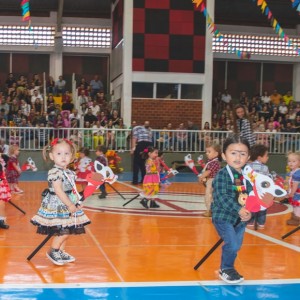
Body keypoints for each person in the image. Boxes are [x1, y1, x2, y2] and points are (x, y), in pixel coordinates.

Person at [31, 138, 91, 265]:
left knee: (67, 230)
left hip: (67, 202)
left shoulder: (69, 172)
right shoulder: (55, 172)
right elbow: (58, 190)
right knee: (63, 231)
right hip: (57, 205)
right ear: (52, 156)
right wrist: (69, 204)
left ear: (72, 155)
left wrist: (77, 202)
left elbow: (72, 190)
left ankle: (60, 252)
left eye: (66, 153)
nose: (63, 157)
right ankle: (53, 250)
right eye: (59, 154)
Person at [212, 134, 252, 284]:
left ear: (248, 157)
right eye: (233, 153)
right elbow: (221, 197)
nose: (238, 157)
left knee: (236, 245)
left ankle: (228, 267)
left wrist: (250, 212)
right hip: (223, 217)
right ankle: (226, 269)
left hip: (240, 220)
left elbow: (251, 197)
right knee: (233, 244)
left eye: (242, 154)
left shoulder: (247, 176)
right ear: (224, 155)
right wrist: (238, 209)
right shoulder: (222, 175)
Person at [247, 144, 270, 229]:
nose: (268, 157)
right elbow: (267, 180)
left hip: (251, 191)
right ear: (259, 157)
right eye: (266, 155)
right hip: (262, 192)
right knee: (262, 208)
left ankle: (250, 222)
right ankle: (261, 224)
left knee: (251, 206)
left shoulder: (248, 166)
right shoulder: (265, 168)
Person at [198, 142, 222, 217]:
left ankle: (209, 210)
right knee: (212, 196)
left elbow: (208, 171)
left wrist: (202, 176)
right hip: (211, 180)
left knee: (208, 195)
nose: (207, 153)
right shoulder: (211, 162)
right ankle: (212, 209)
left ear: (216, 153)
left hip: (212, 181)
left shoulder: (214, 162)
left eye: (209, 152)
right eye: (206, 152)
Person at [130, 121, 153, 185]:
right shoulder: (149, 129)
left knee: (136, 163)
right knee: (143, 163)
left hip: (142, 144)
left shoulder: (135, 128)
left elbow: (134, 138)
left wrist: (133, 149)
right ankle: (144, 180)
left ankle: (135, 181)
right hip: (149, 146)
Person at [285, 152, 300, 226]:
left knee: (297, 206)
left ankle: (297, 219)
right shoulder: (291, 172)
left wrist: (292, 193)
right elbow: (288, 183)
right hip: (294, 192)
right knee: (294, 205)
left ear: (299, 162)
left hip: (297, 193)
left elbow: (295, 185)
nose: (291, 163)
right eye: (289, 161)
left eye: (294, 161)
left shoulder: (297, 173)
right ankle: (294, 217)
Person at [0, 154, 11, 229]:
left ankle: (1, 221)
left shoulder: (2, 159)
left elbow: (7, 158)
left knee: (1, 205)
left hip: (0, 183)